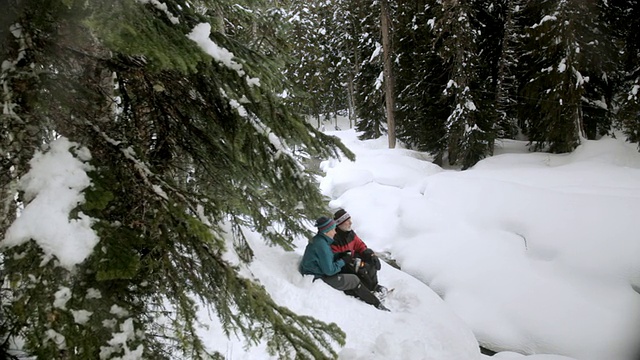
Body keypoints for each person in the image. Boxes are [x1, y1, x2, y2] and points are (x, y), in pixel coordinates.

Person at [299, 216, 389, 311]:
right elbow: (330, 271)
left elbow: (326, 259)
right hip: (317, 277)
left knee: (351, 271)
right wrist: (343, 261)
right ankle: (376, 303)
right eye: (333, 229)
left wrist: (340, 255)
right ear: (327, 231)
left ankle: (367, 291)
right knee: (353, 279)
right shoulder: (322, 246)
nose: (335, 232)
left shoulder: (321, 240)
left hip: (317, 271)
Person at [332, 209, 388, 297]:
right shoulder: (334, 238)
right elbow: (335, 258)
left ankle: (374, 287)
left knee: (371, 262)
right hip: (343, 265)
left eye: (350, 220)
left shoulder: (350, 233)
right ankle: (367, 290)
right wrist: (350, 260)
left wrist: (370, 254)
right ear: (340, 224)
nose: (350, 223)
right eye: (347, 221)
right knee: (363, 268)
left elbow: (360, 245)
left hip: (352, 260)